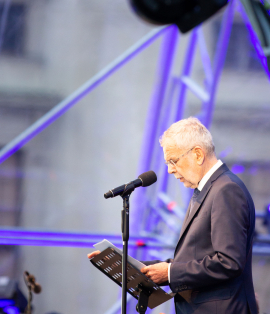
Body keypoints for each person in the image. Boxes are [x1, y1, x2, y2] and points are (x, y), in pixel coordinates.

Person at [88, 117, 258, 314]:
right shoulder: (209, 190)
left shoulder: (225, 190)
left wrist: (169, 273)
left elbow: (228, 262)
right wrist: (133, 266)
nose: (169, 170)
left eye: (173, 161)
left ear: (197, 154)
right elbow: (197, 256)